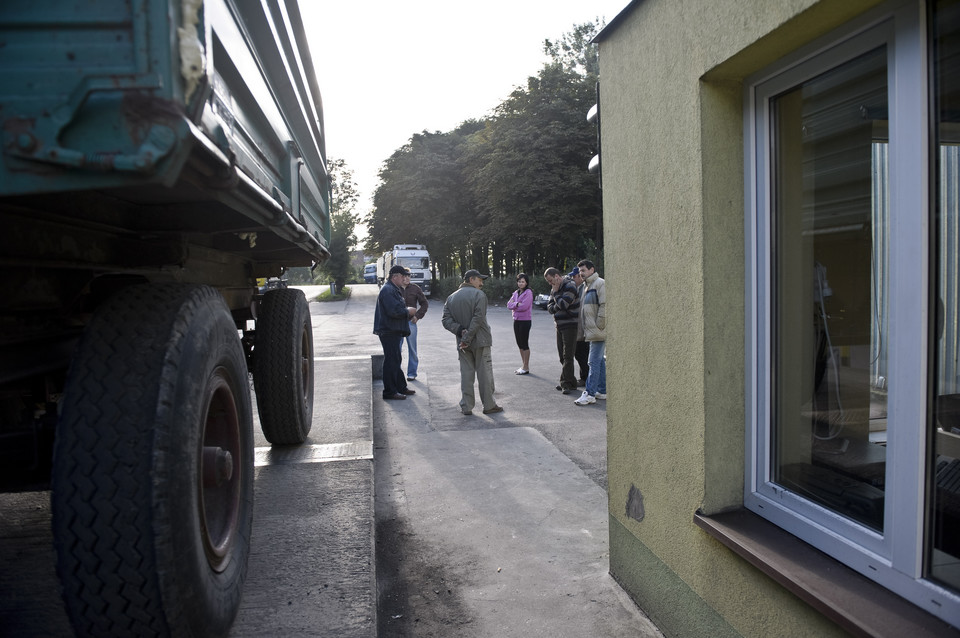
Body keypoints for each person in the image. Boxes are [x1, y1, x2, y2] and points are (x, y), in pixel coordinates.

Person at [441, 270, 502, 415]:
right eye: (480, 280)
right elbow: (478, 318)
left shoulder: (451, 298)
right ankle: (489, 405)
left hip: (462, 342)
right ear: (471, 279)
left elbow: (445, 321)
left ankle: (466, 406)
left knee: (466, 374)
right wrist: (467, 337)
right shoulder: (479, 295)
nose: (482, 283)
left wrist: (461, 331)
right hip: (480, 340)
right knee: (485, 374)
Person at [374, 265, 417, 401]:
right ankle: (390, 392)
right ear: (395, 277)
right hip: (389, 330)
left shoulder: (392, 289)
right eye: (402, 276)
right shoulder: (388, 290)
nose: (405, 278)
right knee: (392, 361)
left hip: (392, 330)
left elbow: (395, 308)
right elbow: (394, 311)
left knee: (395, 359)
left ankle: (400, 387)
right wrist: (408, 311)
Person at [574, 259, 607, 406]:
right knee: (599, 361)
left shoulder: (599, 283)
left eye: (584, 270)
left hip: (597, 330)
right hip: (593, 330)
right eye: (580, 271)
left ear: (592, 270)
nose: (581, 273)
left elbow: (605, 305)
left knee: (592, 361)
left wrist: (600, 324)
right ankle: (602, 390)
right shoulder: (587, 286)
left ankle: (590, 393)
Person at [544, 266, 580, 394]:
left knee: (567, 356)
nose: (550, 284)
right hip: (559, 325)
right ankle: (571, 381)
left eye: (550, 280)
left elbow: (564, 304)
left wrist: (555, 293)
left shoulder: (570, 285)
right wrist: (557, 300)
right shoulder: (555, 288)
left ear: (557, 276)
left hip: (570, 324)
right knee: (562, 356)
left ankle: (565, 383)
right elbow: (549, 307)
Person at [401, 270, 429, 381]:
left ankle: (412, 373)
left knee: (412, 349)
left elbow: (424, 303)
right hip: (397, 323)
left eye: (409, 276)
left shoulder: (415, 288)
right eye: (405, 276)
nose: (407, 278)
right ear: (400, 277)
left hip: (410, 323)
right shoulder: (395, 288)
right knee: (397, 349)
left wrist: (417, 316)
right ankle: (397, 374)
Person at [506, 273, 533, 375]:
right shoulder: (516, 293)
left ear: (526, 282)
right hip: (516, 320)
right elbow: (508, 305)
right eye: (519, 281)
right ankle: (523, 365)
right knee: (519, 344)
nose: (521, 283)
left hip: (525, 321)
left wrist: (515, 305)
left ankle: (526, 367)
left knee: (524, 344)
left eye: (523, 281)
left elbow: (524, 307)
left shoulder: (528, 293)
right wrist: (517, 304)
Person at [569, 267, 590, 386]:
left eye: (574, 276)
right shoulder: (576, 288)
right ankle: (584, 377)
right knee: (579, 353)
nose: (573, 278)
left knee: (582, 354)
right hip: (577, 326)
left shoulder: (584, 288)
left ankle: (586, 378)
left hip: (584, 327)